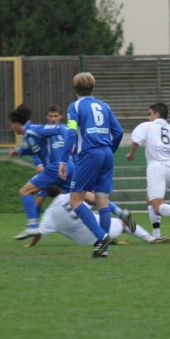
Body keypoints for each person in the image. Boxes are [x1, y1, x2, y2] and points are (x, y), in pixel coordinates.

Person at [59, 72, 124, 258]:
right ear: (93, 88)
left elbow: (71, 134)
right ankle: (103, 249)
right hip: (106, 154)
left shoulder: (75, 106)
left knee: (75, 200)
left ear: (75, 90)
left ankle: (101, 237)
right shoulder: (104, 106)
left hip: (89, 154)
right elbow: (118, 132)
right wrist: (109, 150)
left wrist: (63, 160)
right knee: (102, 200)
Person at [23, 186, 170, 251]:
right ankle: (150, 238)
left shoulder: (49, 213)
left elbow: (39, 233)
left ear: (49, 197)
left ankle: (113, 240)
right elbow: (98, 201)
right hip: (98, 228)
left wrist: (31, 245)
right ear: (62, 190)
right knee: (123, 222)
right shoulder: (72, 196)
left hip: (85, 242)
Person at [125, 103, 170, 238]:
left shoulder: (147, 126)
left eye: (150, 113)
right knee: (149, 199)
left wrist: (131, 154)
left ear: (156, 114)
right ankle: (156, 234)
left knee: (157, 206)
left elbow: (136, 140)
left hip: (156, 167)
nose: (148, 116)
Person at [8, 103, 75, 240]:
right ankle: (115, 219)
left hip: (56, 168)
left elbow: (60, 129)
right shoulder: (29, 134)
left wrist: (70, 144)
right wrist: (20, 151)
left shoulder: (34, 129)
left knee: (24, 191)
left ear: (17, 123)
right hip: (67, 168)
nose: (10, 128)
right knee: (82, 200)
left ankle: (32, 227)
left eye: (11, 124)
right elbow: (35, 148)